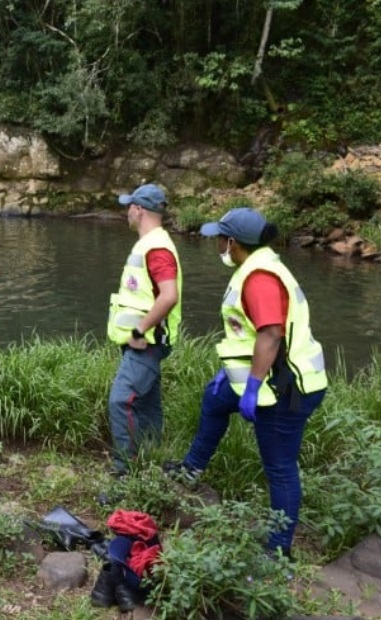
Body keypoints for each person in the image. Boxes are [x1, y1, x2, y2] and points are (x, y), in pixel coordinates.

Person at [165, 207, 327, 558]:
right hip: (260, 377)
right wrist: (232, 370)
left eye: (219, 239)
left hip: (285, 389)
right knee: (214, 401)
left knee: (280, 468)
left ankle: (280, 550)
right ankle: (191, 470)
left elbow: (270, 333)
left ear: (233, 242)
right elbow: (249, 332)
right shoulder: (255, 267)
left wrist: (252, 387)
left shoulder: (260, 279)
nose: (216, 245)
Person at [106, 183, 183, 476]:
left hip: (146, 342)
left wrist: (139, 331)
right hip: (143, 341)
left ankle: (125, 471)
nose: (126, 212)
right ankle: (152, 460)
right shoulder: (151, 243)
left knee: (120, 401)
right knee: (148, 407)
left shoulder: (157, 248)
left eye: (129, 207)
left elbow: (168, 295)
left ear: (138, 210)